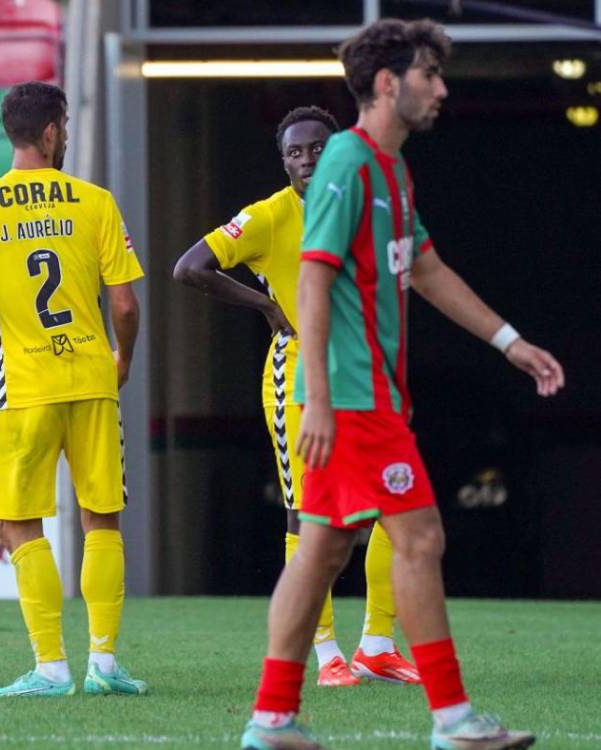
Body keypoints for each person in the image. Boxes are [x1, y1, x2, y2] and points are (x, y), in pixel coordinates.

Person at [241, 18, 562, 750]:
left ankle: (270, 721)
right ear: (389, 84)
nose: (441, 89)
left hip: (364, 398)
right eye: (429, 75)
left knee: (320, 550)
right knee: (419, 538)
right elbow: (313, 282)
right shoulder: (347, 165)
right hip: (350, 402)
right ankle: (451, 719)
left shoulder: (390, 171)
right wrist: (317, 395)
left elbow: (426, 269)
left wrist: (508, 342)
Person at [173, 106, 419, 687]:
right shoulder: (267, 217)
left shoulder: (368, 207)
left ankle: (378, 644)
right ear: (283, 161)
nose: (306, 158)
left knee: (394, 501)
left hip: (364, 377)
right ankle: (327, 652)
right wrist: (262, 304)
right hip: (297, 382)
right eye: (295, 151)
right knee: (310, 514)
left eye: (316, 148)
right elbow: (190, 267)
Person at [0, 81, 149, 698]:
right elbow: (126, 304)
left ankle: (52, 667)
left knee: (17, 521)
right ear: (55, 129)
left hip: (24, 387)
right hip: (90, 377)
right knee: (101, 517)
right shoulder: (95, 202)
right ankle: (105, 664)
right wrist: (124, 359)